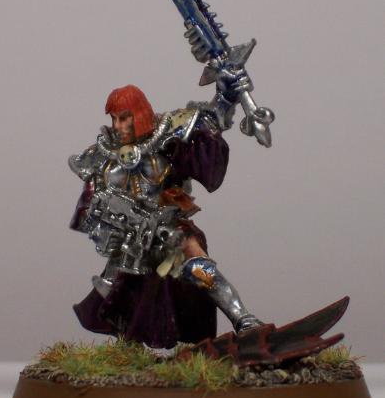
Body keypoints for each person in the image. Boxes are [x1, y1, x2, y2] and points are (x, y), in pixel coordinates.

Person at [69, 84, 262, 349]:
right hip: (130, 238)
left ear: (138, 115)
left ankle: (243, 319)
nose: (117, 125)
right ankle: (130, 347)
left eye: (123, 118)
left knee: (199, 266)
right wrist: (109, 232)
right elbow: (91, 210)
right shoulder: (102, 157)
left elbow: (208, 123)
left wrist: (226, 95)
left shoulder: (167, 138)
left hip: (170, 227)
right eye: (114, 119)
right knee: (118, 290)